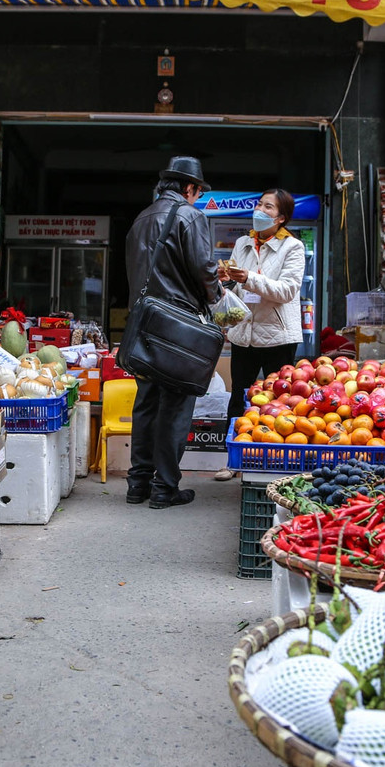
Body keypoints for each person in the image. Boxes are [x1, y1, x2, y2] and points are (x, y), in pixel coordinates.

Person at [123, 156, 221, 509]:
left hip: (144, 325)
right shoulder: (189, 216)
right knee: (176, 407)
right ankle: (164, 487)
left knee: (146, 404)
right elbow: (204, 268)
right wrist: (218, 299)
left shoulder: (141, 217)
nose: (196, 198)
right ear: (189, 188)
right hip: (177, 328)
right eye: (197, 192)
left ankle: (138, 485)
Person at [213, 188, 307, 482]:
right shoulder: (243, 242)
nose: (260, 210)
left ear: (281, 218)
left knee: (280, 401)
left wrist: (248, 278)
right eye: (259, 204)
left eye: (268, 207)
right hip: (244, 334)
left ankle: (278, 462)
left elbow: (287, 291)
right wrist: (226, 281)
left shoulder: (292, 247)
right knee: (237, 398)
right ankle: (233, 460)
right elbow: (237, 289)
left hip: (278, 336)